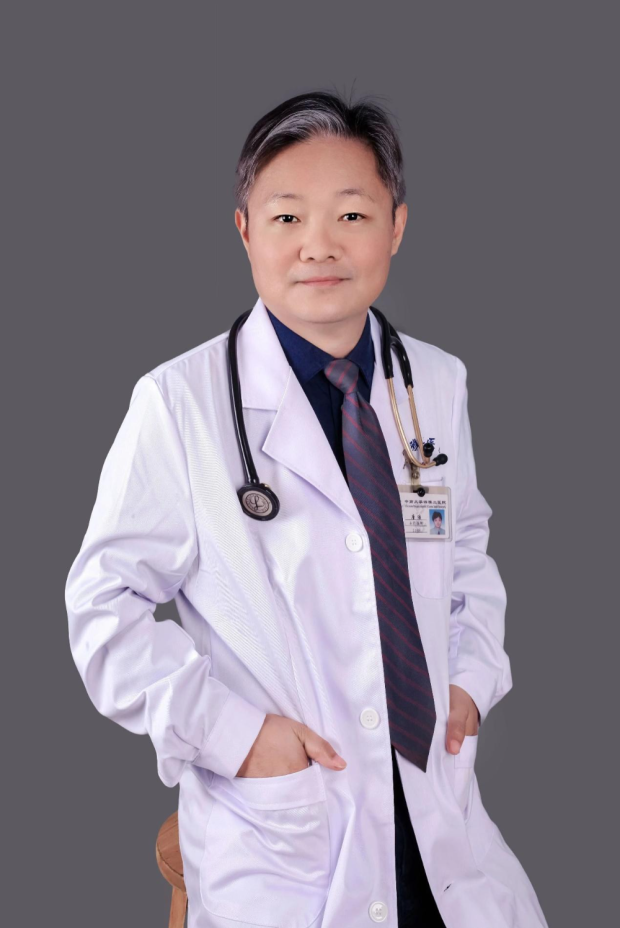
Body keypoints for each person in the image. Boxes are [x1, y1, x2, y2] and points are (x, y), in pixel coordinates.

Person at [65, 90, 549, 927]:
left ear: (396, 227)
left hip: (433, 796)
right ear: (245, 232)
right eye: (287, 218)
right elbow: (103, 609)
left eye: (352, 215)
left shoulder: (434, 383)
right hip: (289, 825)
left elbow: (463, 542)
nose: (319, 245)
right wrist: (237, 736)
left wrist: (471, 677)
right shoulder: (179, 405)